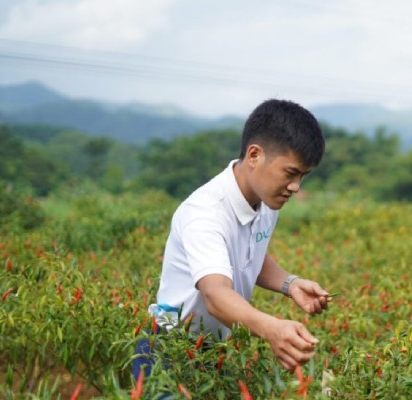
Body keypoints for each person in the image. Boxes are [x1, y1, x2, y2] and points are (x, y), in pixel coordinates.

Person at [134, 99, 331, 382]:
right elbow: (215, 295)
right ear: (254, 155)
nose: (296, 187)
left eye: (302, 176)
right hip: (168, 348)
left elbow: (249, 254)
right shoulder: (205, 213)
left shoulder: (266, 201)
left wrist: (290, 284)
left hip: (216, 347)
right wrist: (271, 328)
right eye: (290, 173)